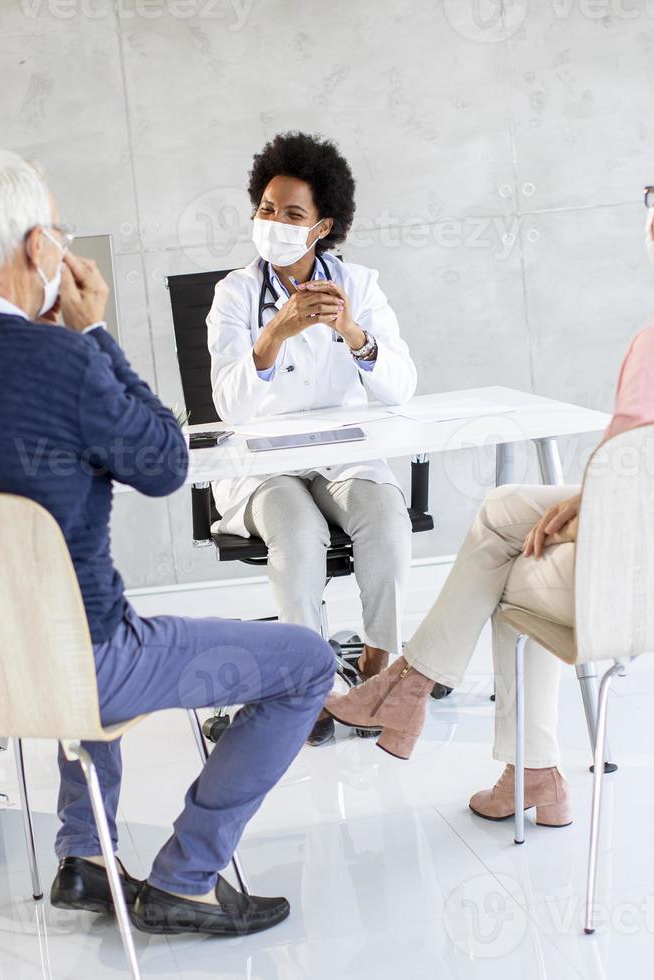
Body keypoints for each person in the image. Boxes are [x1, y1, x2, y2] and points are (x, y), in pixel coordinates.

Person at [0, 147, 334, 936]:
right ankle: (186, 879)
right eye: (57, 231)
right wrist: (94, 335)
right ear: (37, 248)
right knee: (308, 663)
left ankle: (86, 857)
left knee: (72, 610)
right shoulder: (66, 358)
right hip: (79, 667)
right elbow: (165, 462)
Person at [325, 132, 654, 825]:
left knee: (507, 573)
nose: (651, 209)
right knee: (504, 510)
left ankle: (478, 735)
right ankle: (430, 706)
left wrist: (591, 511)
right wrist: (586, 500)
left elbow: (629, 501)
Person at [206, 132, 418, 744]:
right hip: (262, 462)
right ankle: (309, 686)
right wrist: (274, 332)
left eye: (292, 214)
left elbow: (400, 387)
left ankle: (381, 667)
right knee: (298, 532)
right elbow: (231, 405)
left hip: (341, 454)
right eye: (267, 209)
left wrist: (353, 331)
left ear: (322, 226)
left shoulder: (363, 286)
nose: (273, 222)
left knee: (383, 513)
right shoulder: (236, 294)